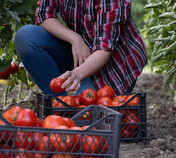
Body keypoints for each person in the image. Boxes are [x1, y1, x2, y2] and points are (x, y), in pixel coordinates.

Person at [15, 0, 148, 96]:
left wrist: (77, 74)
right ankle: (59, 105)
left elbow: (104, 49)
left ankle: (67, 111)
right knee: (27, 36)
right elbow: (44, 14)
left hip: (115, 64)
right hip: (80, 52)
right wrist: (75, 39)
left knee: (88, 116)